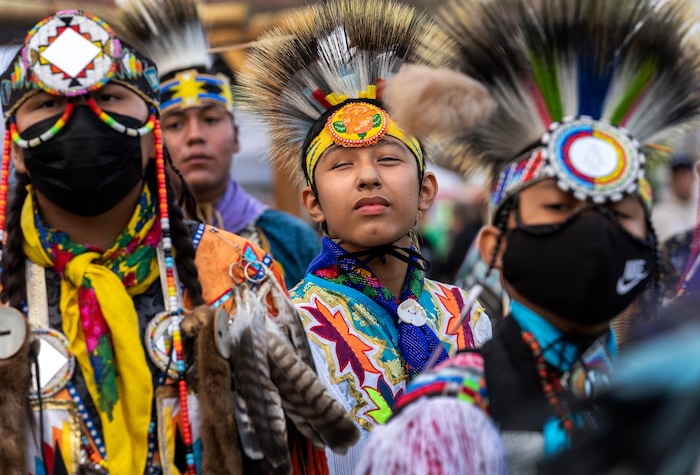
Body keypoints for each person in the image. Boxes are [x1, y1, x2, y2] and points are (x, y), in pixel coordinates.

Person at [0, 10, 357, 474]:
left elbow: (297, 459)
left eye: (109, 97)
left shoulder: (236, 275)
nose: (82, 118)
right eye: (48, 105)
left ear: (151, 137)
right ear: (17, 148)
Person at [356, 0, 700, 473]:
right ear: (494, 247)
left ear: (648, 241)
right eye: (559, 208)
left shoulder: (671, 390)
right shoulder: (446, 418)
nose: (594, 232)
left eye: (617, 214)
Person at [235, 1, 493, 473]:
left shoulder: (468, 316)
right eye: (341, 165)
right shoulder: (289, 328)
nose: (368, 177)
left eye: (389, 159)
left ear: (426, 192)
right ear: (312, 203)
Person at [118, 0, 321, 289]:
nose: (195, 135)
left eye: (211, 120)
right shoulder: (131, 243)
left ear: (236, 136)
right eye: (175, 124)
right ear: (153, 143)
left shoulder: (289, 239)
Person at [652, 153, 697, 243]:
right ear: (672, 179)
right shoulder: (657, 215)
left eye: (686, 175)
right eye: (679, 176)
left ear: (693, 178)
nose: (684, 181)